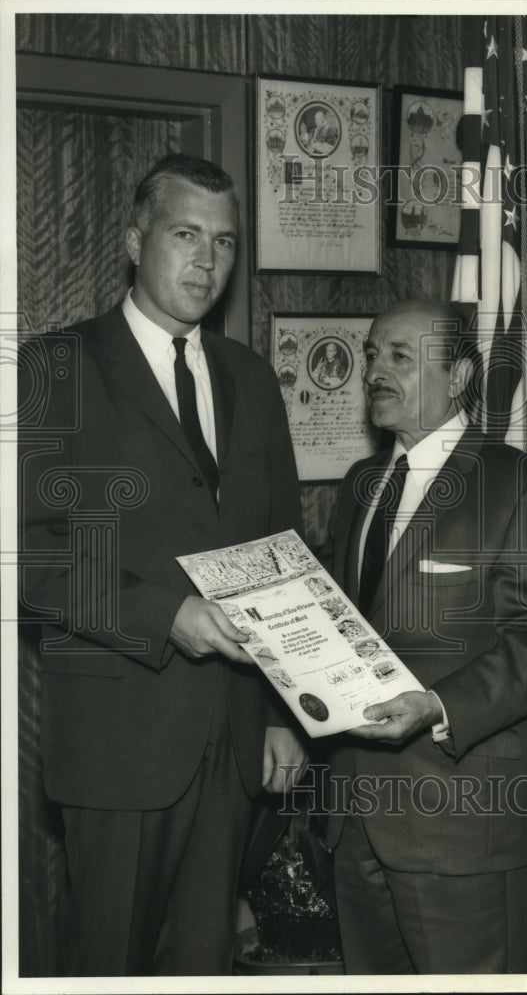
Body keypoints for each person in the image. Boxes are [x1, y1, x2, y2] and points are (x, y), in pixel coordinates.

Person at [19, 154, 308, 976]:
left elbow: (280, 556)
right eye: (186, 235)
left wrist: (287, 707)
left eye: (223, 241)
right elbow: (32, 554)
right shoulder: (56, 366)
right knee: (106, 964)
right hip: (119, 745)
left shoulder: (250, 378)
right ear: (133, 239)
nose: (207, 261)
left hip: (236, 740)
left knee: (205, 965)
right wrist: (166, 615)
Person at [325, 299, 527, 974]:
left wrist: (440, 705)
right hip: (354, 819)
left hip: (464, 824)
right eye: (373, 355)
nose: (376, 370)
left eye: (400, 357)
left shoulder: (522, 485)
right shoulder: (358, 486)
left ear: (459, 374)